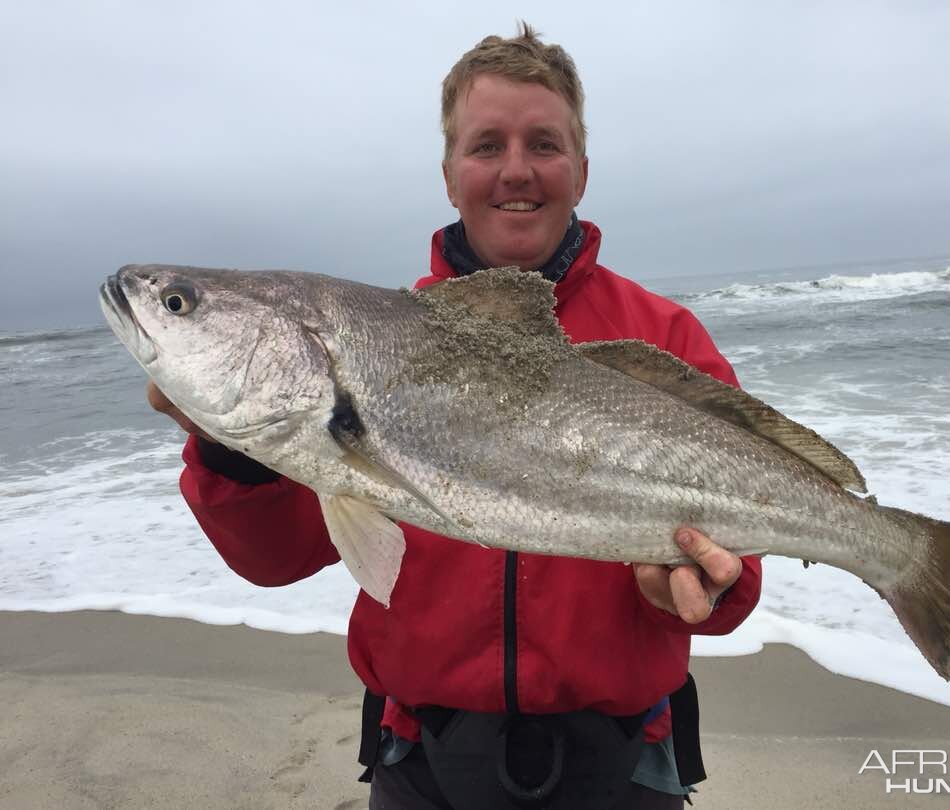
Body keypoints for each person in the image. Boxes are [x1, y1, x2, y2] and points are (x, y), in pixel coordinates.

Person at [150, 23, 762, 810]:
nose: (516, 170)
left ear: (580, 169)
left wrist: (708, 588)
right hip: (422, 767)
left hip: (625, 766)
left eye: (543, 143)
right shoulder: (361, 349)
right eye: (485, 146)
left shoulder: (666, 340)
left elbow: (738, 571)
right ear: (448, 175)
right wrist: (231, 451)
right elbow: (275, 560)